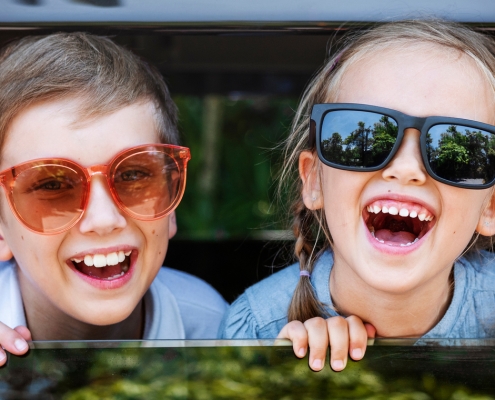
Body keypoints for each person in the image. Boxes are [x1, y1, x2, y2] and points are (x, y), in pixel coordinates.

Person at [220, 19, 495, 372]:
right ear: (315, 181)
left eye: (456, 146)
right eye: (360, 137)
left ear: (489, 206)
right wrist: (285, 381)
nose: (406, 168)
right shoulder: (258, 326)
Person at [0, 32, 228, 366]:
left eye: (134, 175)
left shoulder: (212, 329)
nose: (105, 219)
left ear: (171, 209)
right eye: (51, 185)